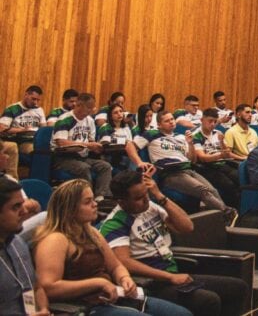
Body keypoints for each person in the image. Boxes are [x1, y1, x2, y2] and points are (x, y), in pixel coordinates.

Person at [32, 179, 190, 316]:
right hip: (84, 307)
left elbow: (115, 266)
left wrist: (124, 278)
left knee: (182, 314)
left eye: (93, 199)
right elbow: (48, 287)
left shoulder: (91, 232)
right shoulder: (55, 239)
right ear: (69, 209)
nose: (95, 204)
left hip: (111, 297)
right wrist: (98, 283)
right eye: (87, 202)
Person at [101, 171, 249, 316]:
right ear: (121, 201)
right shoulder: (115, 223)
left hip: (172, 272)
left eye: (146, 193)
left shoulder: (151, 207)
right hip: (151, 283)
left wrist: (160, 196)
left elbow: (186, 227)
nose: (145, 200)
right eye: (138, 198)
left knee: (237, 287)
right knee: (208, 300)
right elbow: (124, 262)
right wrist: (169, 277)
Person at [138, 111, 234, 221]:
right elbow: (130, 145)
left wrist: (190, 143)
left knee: (213, 191)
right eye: (167, 121)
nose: (171, 122)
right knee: (203, 191)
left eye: (172, 119)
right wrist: (139, 162)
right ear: (159, 124)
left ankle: (222, 219)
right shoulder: (151, 134)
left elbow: (192, 160)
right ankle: (227, 213)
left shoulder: (180, 137)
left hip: (188, 170)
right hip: (171, 173)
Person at [50, 93, 113, 200]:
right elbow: (61, 142)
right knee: (83, 168)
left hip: (83, 157)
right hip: (63, 158)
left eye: (92, 107)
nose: (91, 111)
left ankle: (101, 197)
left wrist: (96, 147)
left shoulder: (90, 121)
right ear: (78, 105)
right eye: (88, 107)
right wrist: (87, 145)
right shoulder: (65, 119)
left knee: (105, 166)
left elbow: (90, 140)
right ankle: (86, 198)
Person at [0, 178, 49, 315]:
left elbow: (37, 288)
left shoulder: (18, 243)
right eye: (15, 207)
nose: (24, 211)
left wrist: (43, 309)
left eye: (22, 204)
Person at [191, 108, 240, 209]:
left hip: (221, 164)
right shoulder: (196, 135)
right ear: (202, 120)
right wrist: (220, 155)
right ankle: (231, 210)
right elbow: (202, 158)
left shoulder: (217, 133)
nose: (213, 124)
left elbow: (227, 153)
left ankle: (243, 208)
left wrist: (222, 142)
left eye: (215, 121)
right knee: (229, 185)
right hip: (206, 167)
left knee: (240, 177)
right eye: (210, 121)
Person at [1, 85, 46, 178]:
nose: (35, 102)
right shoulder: (12, 109)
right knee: (33, 149)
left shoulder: (39, 110)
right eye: (33, 99)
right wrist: (22, 130)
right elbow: (2, 128)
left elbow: (44, 128)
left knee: (43, 149)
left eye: (38, 100)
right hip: (18, 140)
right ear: (26, 95)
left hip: (33, 139)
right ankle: (13, 180)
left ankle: (39, 179)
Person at [96, 105, 143, 175]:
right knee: (132, 161)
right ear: (110, 116)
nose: (119, 114)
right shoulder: (106, 127)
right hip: (111, 156)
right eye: (115, 112)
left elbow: (133, 142)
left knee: (134, 159)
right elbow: (105, 144)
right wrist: (124, 142)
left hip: (126, 156)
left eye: (121, 111)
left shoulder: (126, 127)